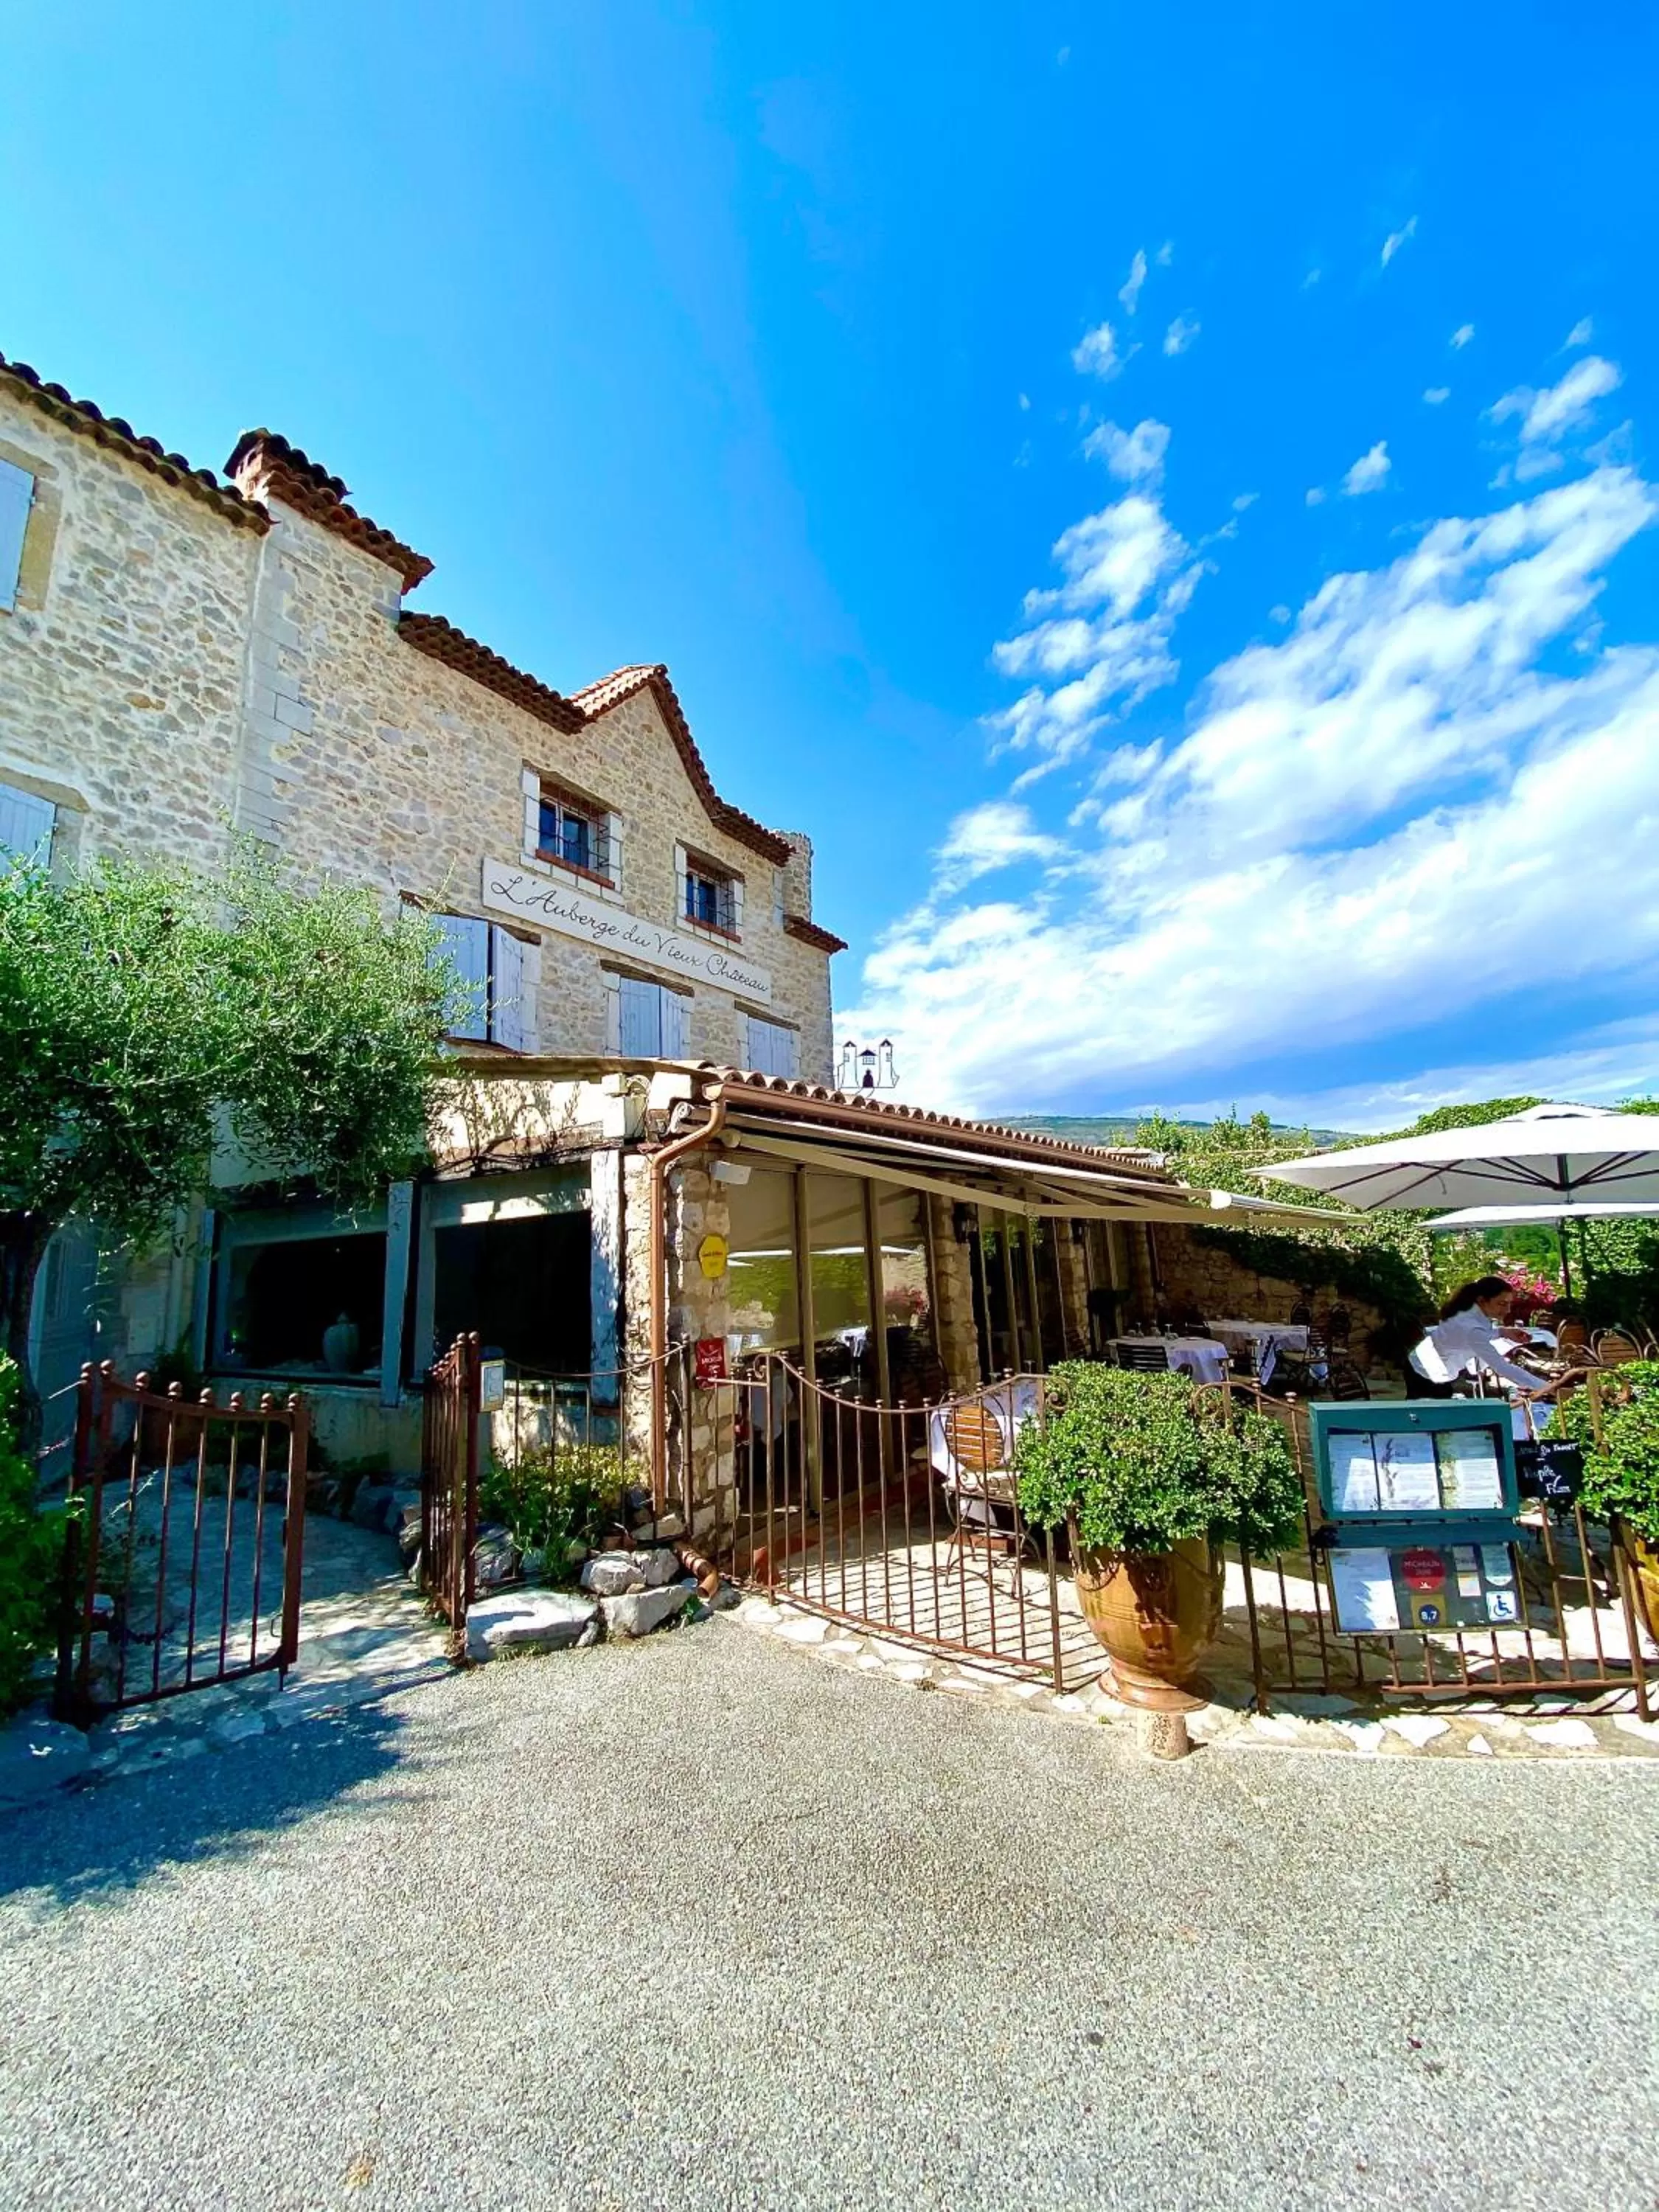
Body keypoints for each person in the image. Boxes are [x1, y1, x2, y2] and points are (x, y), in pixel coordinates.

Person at [1408, 1277, 1547, 1398]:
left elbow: (1475, 1336)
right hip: (1427, 1373)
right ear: (1482, 1300)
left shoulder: (1469, 1314)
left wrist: (1503, 1332)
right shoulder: (1471, 1326)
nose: (1508, 1310)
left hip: (1424, 1363)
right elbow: (1502, 1368)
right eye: (1502, 1304)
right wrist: (1548, 1388)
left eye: (1509, 1304)